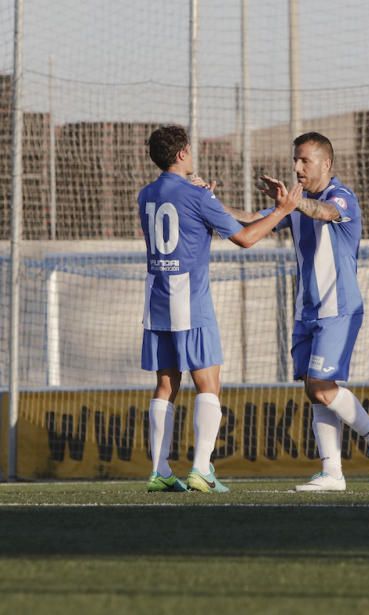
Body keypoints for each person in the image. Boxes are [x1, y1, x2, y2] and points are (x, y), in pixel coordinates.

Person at [231, 132, 369, 492]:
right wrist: (207, 201)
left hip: (339, 308)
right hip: (307, 309)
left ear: (326, 163)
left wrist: (290, 204)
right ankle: (332, 473)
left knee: (322, 387)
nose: (296, 167)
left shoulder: (342, 196)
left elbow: (326, 212)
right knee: (314, 388)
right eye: (295, 160)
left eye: (304, 160)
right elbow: (249, 220)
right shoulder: (296, 203)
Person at [140, 125, 300, 493]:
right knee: (207, 383)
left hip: (157, 300)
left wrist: (204, 203)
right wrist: (283, 210)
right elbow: (246, 238)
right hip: (190, 300)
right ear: (182, 154)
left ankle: (160, 470)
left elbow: (182, 226)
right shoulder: (197, 196)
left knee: (165, 384)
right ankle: (201, 469)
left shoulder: (145, 194)